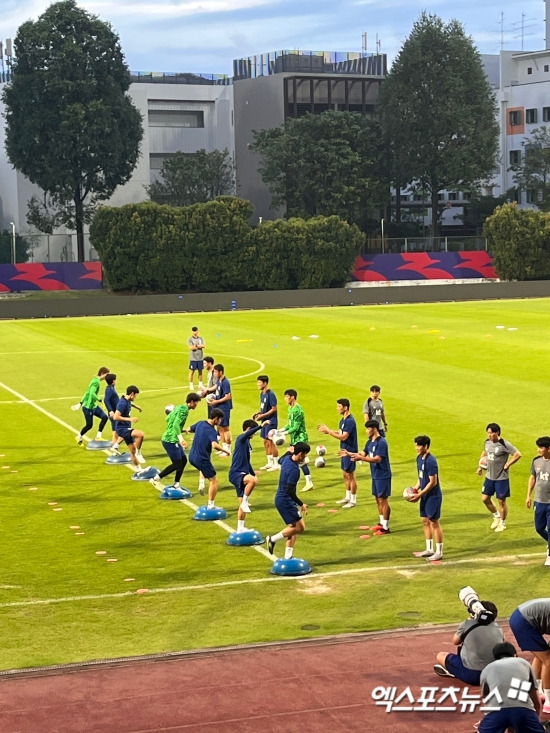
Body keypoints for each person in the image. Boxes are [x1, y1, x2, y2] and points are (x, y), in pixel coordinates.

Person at [477, 642, 544, 733]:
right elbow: (535, 697)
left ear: (495, 657)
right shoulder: (524, 663)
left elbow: (486, 699)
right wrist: (536, 719)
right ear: (515, 655)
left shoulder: (487, 668)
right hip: (523, 711)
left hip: (496, 712)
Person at [433, 600, 504, 685]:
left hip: (472, 675)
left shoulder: (468, 624)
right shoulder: (499, 628)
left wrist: (468, 621)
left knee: (440, 656)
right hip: (492, 674)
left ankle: (455, 672)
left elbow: (455, 641)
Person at [343, 419, 391, 533]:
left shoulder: (382, 443)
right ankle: (381, 523)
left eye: (368, 429)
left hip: (383, 475)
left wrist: (362, 459)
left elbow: (377, 459)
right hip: (375, 475)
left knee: (383, 500)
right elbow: (362, 454)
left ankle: (386, 527)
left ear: (374, 429)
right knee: (377, 499)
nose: (366, 431)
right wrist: (349, 454)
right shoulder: (370, 442)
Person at [266, 442, 311, 559]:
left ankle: (288, 556)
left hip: (282, 499)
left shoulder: (287, 459)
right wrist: (302, 504)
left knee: (293, 528)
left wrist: (289, 451)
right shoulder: (294, 470)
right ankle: (272, 539)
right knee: (300, 527)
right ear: (300, 454)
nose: (305, 458)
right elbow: (290, 491)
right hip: (285, 500)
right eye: (305, 455)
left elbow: (280, 460)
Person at [150, 393, 201, 490]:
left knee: (183, 460)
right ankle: (156, 478)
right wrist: (181, 439)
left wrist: (182, 429)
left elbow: (168, 419)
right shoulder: (184, 411)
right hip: (170, 440)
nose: (197, 405)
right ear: (191, 402)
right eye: (196, 403)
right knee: (177, 464)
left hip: (169, 437)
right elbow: (175, 425)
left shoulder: (179, 407)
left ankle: (176, 484)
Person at [477, 422, 521, 533]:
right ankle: (496, 516)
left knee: (501, 501)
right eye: (488, 433)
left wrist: (508, 464)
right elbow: (485, 453)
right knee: (485, 498)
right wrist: (480, 466)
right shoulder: (487, 443)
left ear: (497, 433)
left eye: (491, 433)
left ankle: (502, 522)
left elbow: (517, 454)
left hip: (501, 478)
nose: (489, 435)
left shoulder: (504, 444)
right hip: (489, 477)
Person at [510, 598, 550, 715]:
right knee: (548, 659)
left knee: (542, 655)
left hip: (521, 616)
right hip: (524, 621)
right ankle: (548, 701)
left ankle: (538, 692)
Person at [409, 434, 444, 562]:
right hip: (424, 495)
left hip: (433, 496)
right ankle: (429, 549)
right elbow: (421, 477)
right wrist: (415, 489)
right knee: (425, 521)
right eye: (416, 445)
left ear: (426, 446)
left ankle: (439, 552)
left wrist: (420, 494)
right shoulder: (419, 458)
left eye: (419, 445)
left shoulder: (431, 461)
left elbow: (432, 482)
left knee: (434, 522)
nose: (417, 448)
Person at [318, 398, 358, 508]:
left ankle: (353, 500)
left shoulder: (350, 421)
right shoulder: (343, 420)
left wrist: (329, 432)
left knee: (351, 475)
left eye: (339, 407)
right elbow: (340, 432)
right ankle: (347, 496)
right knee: (345, 474)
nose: (337, 409)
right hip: (343, 451)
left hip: (350, 451)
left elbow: (344, 437)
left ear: (345, 407)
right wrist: (329, 431)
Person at [187, 408, 229, 507]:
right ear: (216, 418)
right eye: (219, 420)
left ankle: (201, 483)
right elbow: (215, 445)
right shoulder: (212, 431)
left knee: (203, 467)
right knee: (214, 480)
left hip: (192, 457)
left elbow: (188, 429)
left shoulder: (200, 423)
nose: (220, 422)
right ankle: (211, 505)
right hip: (201, 459)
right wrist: (225, 450)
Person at [229, 419, 265, 532]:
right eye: (253, 432)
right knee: (252, 481)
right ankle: (245, 501)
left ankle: (240, 528)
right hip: (236, 473)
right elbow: (247, 434)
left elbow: (247, 460)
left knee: (242, 504)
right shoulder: (241, 438)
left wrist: (253, 473)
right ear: (249, 430)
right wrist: (260, 426)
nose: (254, 435)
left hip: (242, 473)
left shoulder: (247, 443)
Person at [281, 389, 313, 491]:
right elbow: (289, 424)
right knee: (293, 460)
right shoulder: (290, 409)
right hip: (294, 438)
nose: (285, 399)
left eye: (287, 396)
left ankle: (309, 482)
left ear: (292, 397)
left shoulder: (298, 410)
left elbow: (296, 427)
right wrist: (280, 430)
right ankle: (301, 479)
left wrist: (284, 433)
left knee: (295, 460)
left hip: (300, 438)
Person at [527, 437, 550, 566]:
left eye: (541, 448)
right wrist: (528, 495)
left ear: (548, 448)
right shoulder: (536, 461)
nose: (539, 450)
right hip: (539, 501)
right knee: (539, 528)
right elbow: (533, 478)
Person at [113, 385, 147, 470]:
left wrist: (136, 407)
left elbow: (130, 403)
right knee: (140, 434)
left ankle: (139, 469)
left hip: (125, 428)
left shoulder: (126, 399)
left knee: (132, 451)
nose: (135, 397)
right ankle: (138, 454)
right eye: (135, 395)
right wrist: (130, 419)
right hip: (122, 429)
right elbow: (115, 417)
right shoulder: (122, 403)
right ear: (132, 394)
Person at [74, 366, 110, 445]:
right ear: (102, 373)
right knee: (89, 425)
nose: (107, 377)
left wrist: (80, 403)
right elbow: (91, 393)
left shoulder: (95, 380)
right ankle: (79, 436)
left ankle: (98, 437)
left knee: (104, 417)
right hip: (88, 407)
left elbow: (87, 392)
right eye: (106, 375)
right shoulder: (96, 382)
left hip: (93, 406)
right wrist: (100, 400)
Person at [253, 375, 279, 471]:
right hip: (265, 421)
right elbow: (264, 409)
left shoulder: (270, 394)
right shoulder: (262, 394)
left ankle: (276, 464)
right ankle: (269, 462)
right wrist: (258, 413)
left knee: (271, 442)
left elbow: (274, 409)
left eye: (259, 383)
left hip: (271, 422)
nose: (258, 384)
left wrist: (262, 416)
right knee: (265, 441)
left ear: (265, 383)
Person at [209, 363, 232, 456]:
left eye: (215, 371)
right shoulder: (219, 380)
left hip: (225, 408)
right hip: (219, 407)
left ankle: (228, 449)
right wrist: (207, 390)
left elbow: (228, 396)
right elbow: (216, 387)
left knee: (225, 428)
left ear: (221, 372)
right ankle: (223, 448)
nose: (214, 373)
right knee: (220, 428)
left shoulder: (226, 382)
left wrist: (216, 401)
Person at [188, 326, 206, 392]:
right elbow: (191, 348)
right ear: (192, 332)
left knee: (200, 371)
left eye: (195, 331)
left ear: (198, 331)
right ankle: (191, 384)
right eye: (193, 331)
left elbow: (204, 345)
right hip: (193, 358)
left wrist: (196, 346)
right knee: (192, 371)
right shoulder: (190, 339)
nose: (194, 332)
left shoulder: (201, 338)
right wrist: (198, 346)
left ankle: (200, 384)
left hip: (200, 358)